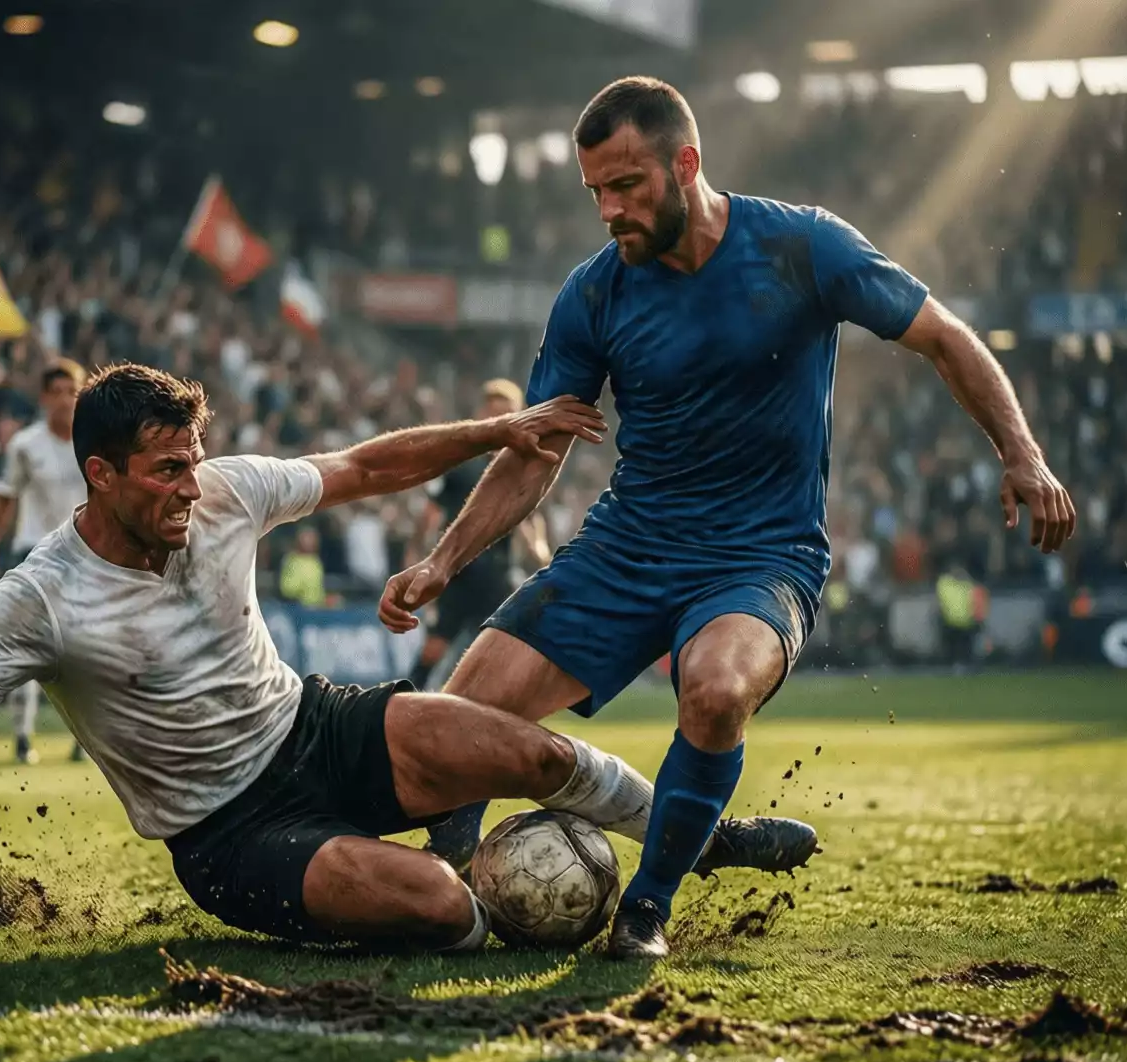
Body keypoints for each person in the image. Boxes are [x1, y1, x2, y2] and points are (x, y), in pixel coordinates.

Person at [0, 364, 813, 953]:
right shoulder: (37, 600)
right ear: (99, 477)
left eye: (191, 463)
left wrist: (495, 432)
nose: (187, 490)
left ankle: (704, 843)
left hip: (317, 728)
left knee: (514, 748)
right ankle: (495, 904)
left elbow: (361, 465)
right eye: (162, 472)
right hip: (227, 829)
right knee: (435, 907)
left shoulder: (225, 492)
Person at [379, 76, 1076, 960]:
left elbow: (944, 335)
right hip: (627, 548)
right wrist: (444, 560)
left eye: (627, 186)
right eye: (595, 191)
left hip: (761, 556)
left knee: (712, 691)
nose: (610, 211)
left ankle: (647, 910)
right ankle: (465, 874)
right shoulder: (594, 293)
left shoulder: (801, 245)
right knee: (453, 716)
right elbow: (536, 450)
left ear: (686, 164)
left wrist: (1023, 454)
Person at [410, 378, 554, 865]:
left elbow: (529, 515)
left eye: (507, 407)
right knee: (431, 655)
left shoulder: (527, 461)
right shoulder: (463, 462)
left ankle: (498, 730)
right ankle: (404, 713)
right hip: (457, 578)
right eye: (494, 407)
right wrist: (421, 557)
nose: (501, 414)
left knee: (500, 659)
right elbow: (430, 514)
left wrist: (538, 549)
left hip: (498, 578)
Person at [0, 360, 88, 764]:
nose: (63, 400)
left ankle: (86, 739)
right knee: (32, 647)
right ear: (43, 398)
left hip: (84, 555)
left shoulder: (94, 441)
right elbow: (5, 498)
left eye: (70, 391)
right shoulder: (25, 444)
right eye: (55, 392)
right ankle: (23, 736)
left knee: (86, 651)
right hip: (35, 553)